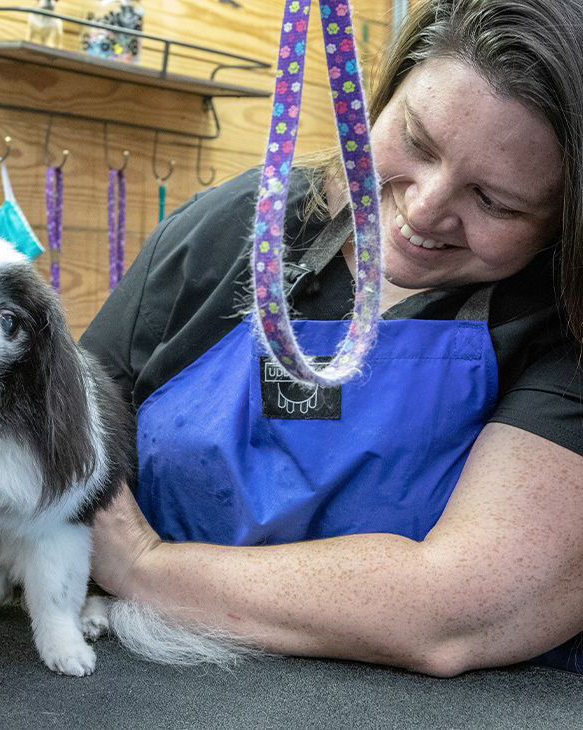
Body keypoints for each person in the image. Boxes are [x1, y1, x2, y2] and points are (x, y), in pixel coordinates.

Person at [81, 0, 583, 676]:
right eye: (417, 140)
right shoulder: (239, 227)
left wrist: (142, 568)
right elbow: (63, 433)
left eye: (496, 202)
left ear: (565, 224)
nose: (424, 208)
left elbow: (459, 608)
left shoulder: (566, 328)